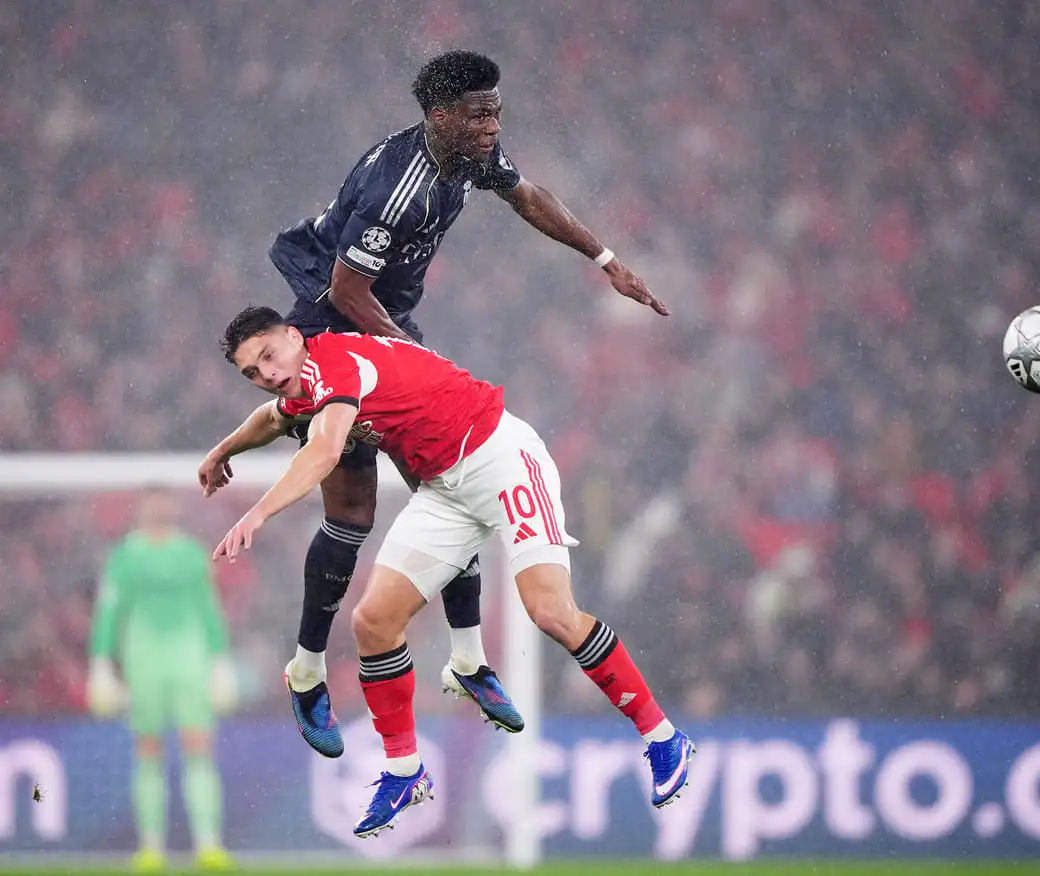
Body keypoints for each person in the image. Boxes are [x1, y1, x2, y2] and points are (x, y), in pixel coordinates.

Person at [199, 50, 668, 757]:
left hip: (381, 317)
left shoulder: (470, 154)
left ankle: (470, 660)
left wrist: (605, 261)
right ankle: (305, 671)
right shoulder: (398, 189)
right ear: (440, 117)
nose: (493, 125)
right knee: (352, 508)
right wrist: (413, 360)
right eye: (480, 114)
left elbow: (529, 195)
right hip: (333, 321)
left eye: (496, 112)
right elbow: (348, 291)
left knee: (445, 480)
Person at [203, 306, 693, 837]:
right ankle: (404, 770)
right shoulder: (302, 383)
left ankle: (662, 735)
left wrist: (256, 513)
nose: (268, 375)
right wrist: (223, 449)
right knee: (373, 622)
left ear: (295, 337)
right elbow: (275, 418)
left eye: (270, 356)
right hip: (446, 492)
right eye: (252, 372)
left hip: (502, 460)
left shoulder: (336, 363)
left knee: (550, 612)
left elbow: (322, 451)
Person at [86, 490, 237, 872]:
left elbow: (208, 607)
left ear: (173, 508)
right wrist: (101, 662)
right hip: (144, 660)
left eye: (164, 501)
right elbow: (110, 610)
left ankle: (208, 844)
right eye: (152, 502)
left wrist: (220, 659)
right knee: (149, 750)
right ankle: (151, 846)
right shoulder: (125, 556)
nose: (159, 509)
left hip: (189, 659)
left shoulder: (190, 553)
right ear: (140, 509)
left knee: (198, 748)